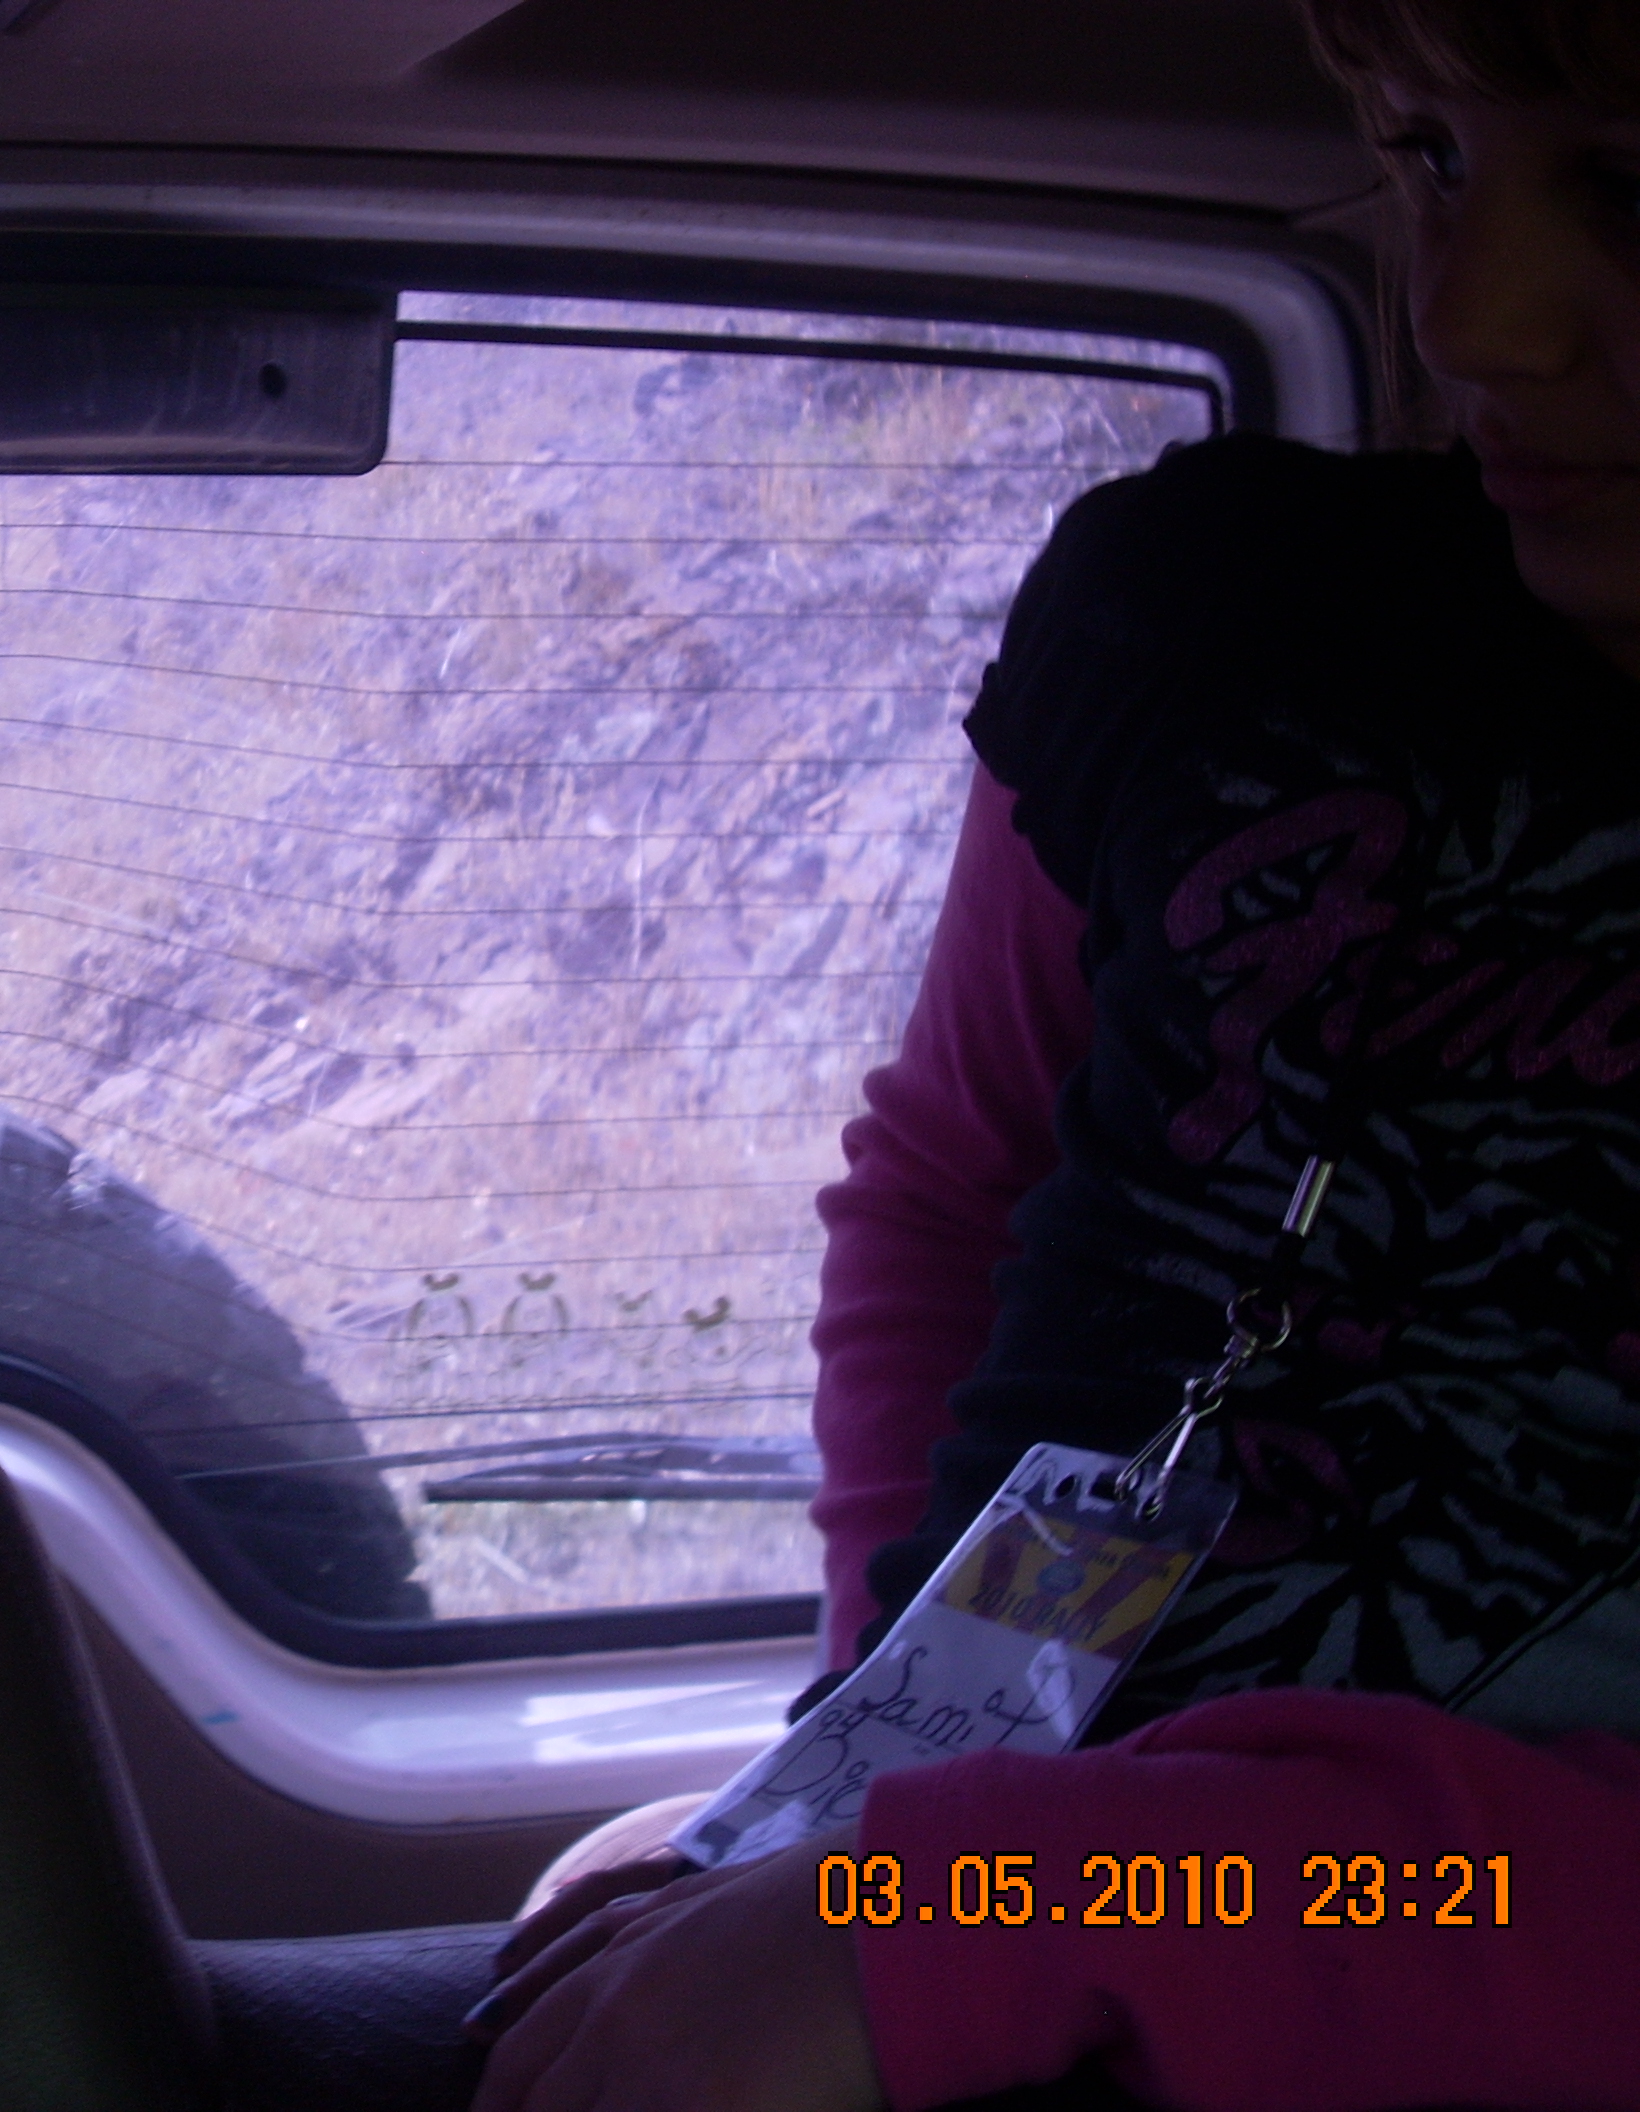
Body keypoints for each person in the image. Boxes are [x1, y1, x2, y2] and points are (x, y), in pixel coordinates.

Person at [467, 4, 1640, 2108]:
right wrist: (870, 1757)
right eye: (1435, 161)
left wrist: (1011, 1914)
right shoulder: (1210, 604)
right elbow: (953, 1186)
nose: (1476, 316)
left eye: (1626, 193)